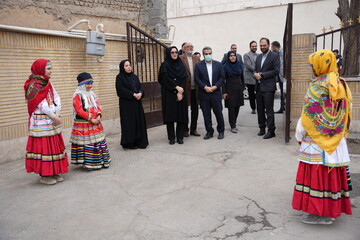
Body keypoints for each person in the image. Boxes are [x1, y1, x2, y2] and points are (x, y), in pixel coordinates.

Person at [292, 49, 352, 225]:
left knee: (317, 172)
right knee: (331, 171)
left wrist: (299, 133)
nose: (312, 68)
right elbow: (347, 111)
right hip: (336, 138)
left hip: (317, 139)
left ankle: (319, 212)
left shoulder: (317, 85)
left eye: (313, 65)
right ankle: (330, 210)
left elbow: (308, 114)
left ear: (320, 65)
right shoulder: (340, 82)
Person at [24, 59, 68, 185]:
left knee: (53, 145)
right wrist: (54, 116)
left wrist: (57, 111)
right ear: (41, 70)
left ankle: (54, 171)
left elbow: (56, 96)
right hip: (41, 122)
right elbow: (41, 104)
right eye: (48, 69)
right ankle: (45, 175)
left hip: (52, 118)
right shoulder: (33, 86)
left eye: (50, 68)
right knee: (44, 147)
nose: (50, 71)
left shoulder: (48, 83)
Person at [70, 72, 111, 170]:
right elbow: (79, 110)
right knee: (87, 143)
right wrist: (90, 118)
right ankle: (88, 163)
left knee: (97, 142)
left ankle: (100, 161)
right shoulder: (77, 95)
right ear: (81, 85)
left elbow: (98, 105)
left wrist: (99, 115)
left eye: (91, 83)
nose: (90, 86)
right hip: (84, 124)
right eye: (87, 84)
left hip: (95, 123)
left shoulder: (92, 94)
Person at [116, 60, 149, 149]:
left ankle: (140, 141)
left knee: (139, 121)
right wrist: (133, 94)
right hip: (127, 105)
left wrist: (140, 93)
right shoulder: (120, 77)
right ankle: (129, 142)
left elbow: (140, 88)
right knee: (129, 123)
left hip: (137, 103)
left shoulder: (134, 77)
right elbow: (120, 90)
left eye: (129, 65)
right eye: (126, 66)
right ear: (122, 67)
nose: (129, 67)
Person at [158, 46, 188, 145]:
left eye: (176, 52)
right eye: (172, 52)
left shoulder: (181, 64)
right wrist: (176, 87)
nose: (175, 54)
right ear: (168, 54)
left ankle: (180, 137)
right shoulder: (164, 65)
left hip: (181, 93)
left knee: (180, 115)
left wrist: (180, 92)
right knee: (170, 116)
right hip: (169, 94)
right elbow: (165, 79)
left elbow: (184, 78)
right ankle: (171, 137)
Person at [195, 46, 225, 140]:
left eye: (209, 53)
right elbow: (197, 78)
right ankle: (209, 131)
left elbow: (222, 77)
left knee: (218, 113)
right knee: (206, 114)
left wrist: (215, 86)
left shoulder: (218, 64)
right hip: (204, 93)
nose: (208, 55)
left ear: (212, 54)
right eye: (206, 54)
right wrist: (205, 87)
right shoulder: (199, 65)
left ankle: (221, 131)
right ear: (203, 55)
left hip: (215, 93)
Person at [254, 37, 280, 139]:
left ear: (269, 45)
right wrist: (255, 74)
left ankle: (271, 130)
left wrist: (262, 75)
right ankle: (261, 128)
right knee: (259, 109)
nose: (262, 47)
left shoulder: (274, 56)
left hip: (269, 87)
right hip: (259, 86)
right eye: (260, 45)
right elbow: (256, 69)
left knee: (269, 110)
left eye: (264, 45)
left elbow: (276, 71)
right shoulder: (259, 57)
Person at [179, 42, 201, 137]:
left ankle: (193, 129)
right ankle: (185, 129)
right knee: (184, 109)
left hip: (195, 88)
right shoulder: (180, 58)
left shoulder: (197, 58)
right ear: (183, 49)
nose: (189, 48)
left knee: (195, 109)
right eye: (187, 47)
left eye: (191, 46)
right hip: (185, 89)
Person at [222, 51, 244, 133]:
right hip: (229, 90)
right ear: (228, 57)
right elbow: (222, 81)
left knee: (237, 107)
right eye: (230, 56)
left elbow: (242, 78)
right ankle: (232, 125)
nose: (232, 57)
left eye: (234, 55)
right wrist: (224, 92)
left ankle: (234, 122)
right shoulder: (225, 67)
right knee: (231, 108)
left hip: (238, 89)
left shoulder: (239, 66)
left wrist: (243, 88)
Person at [243, 41, 258, 114]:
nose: (254, 47)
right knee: (251, 94)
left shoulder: (259, 55)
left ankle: (260, 107)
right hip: (250, 78)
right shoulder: (246, 55)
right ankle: (253, 108)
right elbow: (248, 65)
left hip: (258, 77)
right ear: (250, 47)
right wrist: (257, 71)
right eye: (253, 46)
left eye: (255, 46)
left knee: (259, 94)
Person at [271, 41, 285, 114]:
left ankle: (282, 108)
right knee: (283, 92)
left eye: (272, 47)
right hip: (280, 75)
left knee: (283, 92)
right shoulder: (278, 53)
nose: (271, 48)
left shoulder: (282, 52)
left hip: (283, 76)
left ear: (275, 47)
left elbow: (283, 64)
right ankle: (282, 107)